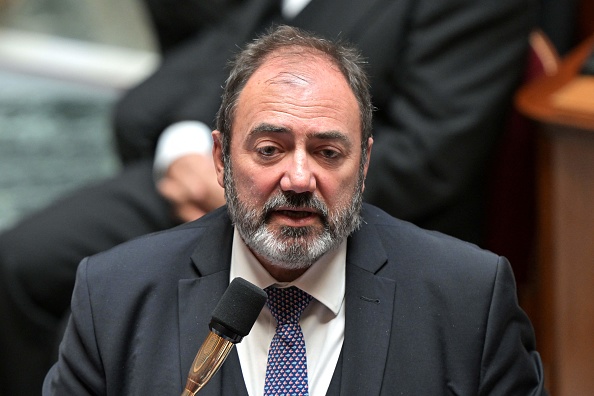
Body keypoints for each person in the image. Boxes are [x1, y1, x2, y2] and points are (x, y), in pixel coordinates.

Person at [0, 0, 538, 393]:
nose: (298, 177)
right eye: (271, 150)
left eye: (326, 152)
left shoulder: (475, 300)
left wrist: (267, 166)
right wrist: (190, 151)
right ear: (222, 156)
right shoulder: (106, 295)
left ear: (362, 160)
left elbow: (434, 149)